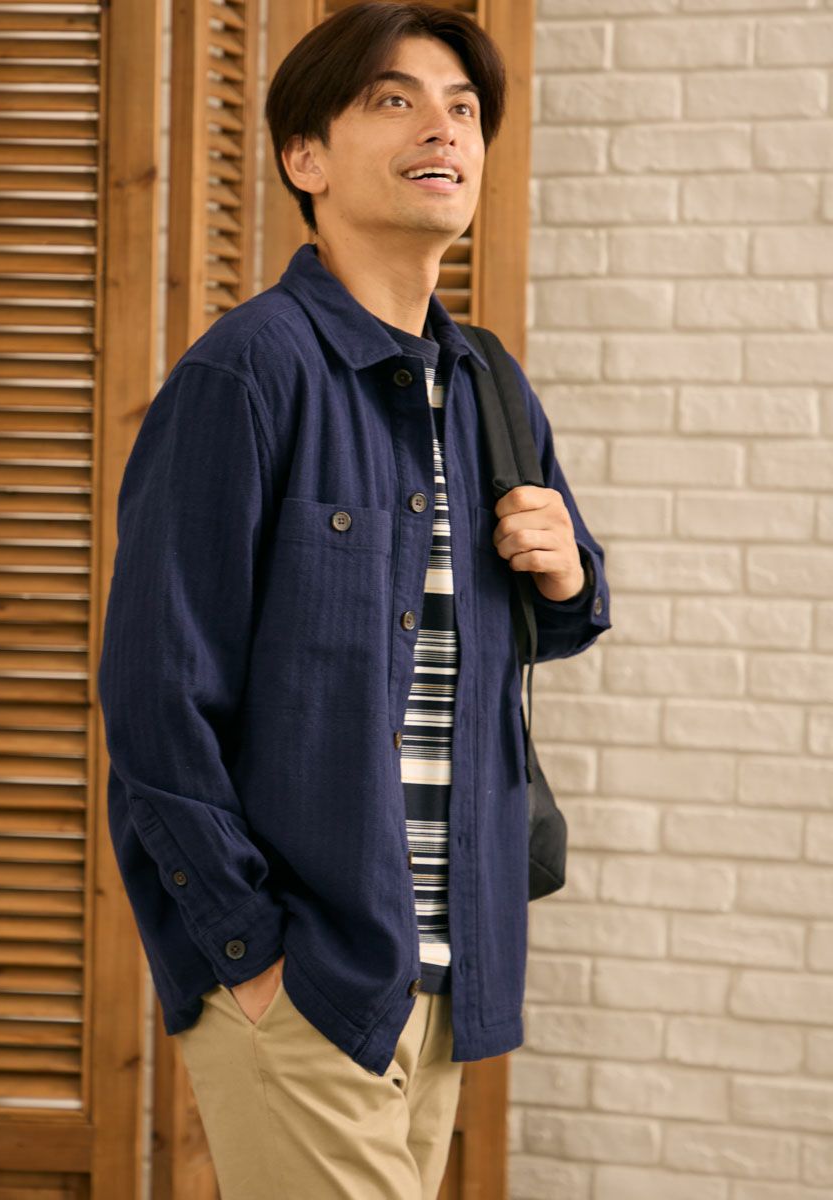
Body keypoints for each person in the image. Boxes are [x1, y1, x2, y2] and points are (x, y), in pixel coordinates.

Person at [98, 3, 611, 1197]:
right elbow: (157, 695)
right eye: (395, 100)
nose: (444, 128)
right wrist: (250, 953)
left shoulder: (486, 384)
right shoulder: (247, 372)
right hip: (309, 974)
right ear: (306, 158)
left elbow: (543, 620)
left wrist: (572, 572)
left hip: (448, 975)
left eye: (464, 108)